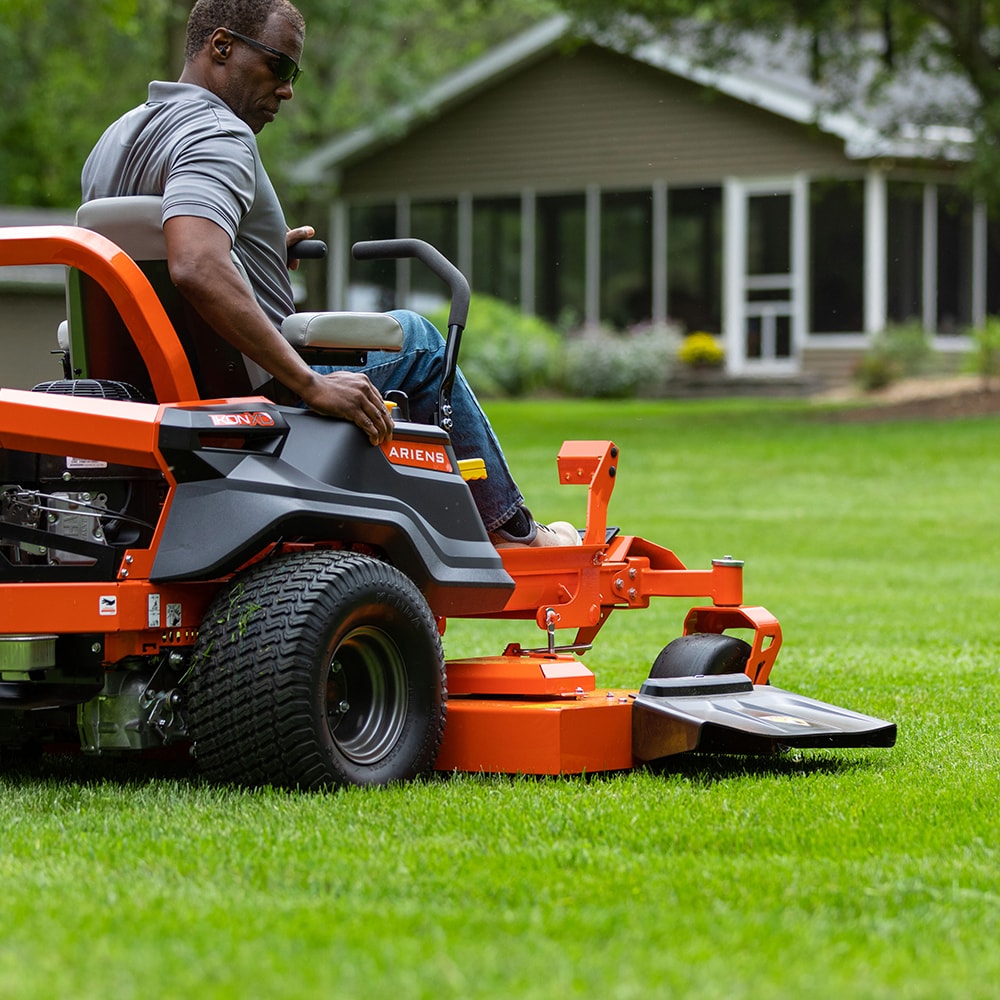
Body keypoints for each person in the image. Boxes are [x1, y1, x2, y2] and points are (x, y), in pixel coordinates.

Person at [81, 0, 578, 548]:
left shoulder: (118, 138)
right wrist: (310, 383)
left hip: (141, 391)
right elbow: (197, 265)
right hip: (250, 392)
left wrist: (259, 249)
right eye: (281, 67)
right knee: (418, 341)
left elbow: (152, 253)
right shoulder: (218, 135)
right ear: (221, 47)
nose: (288, 89)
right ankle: (510, 528)